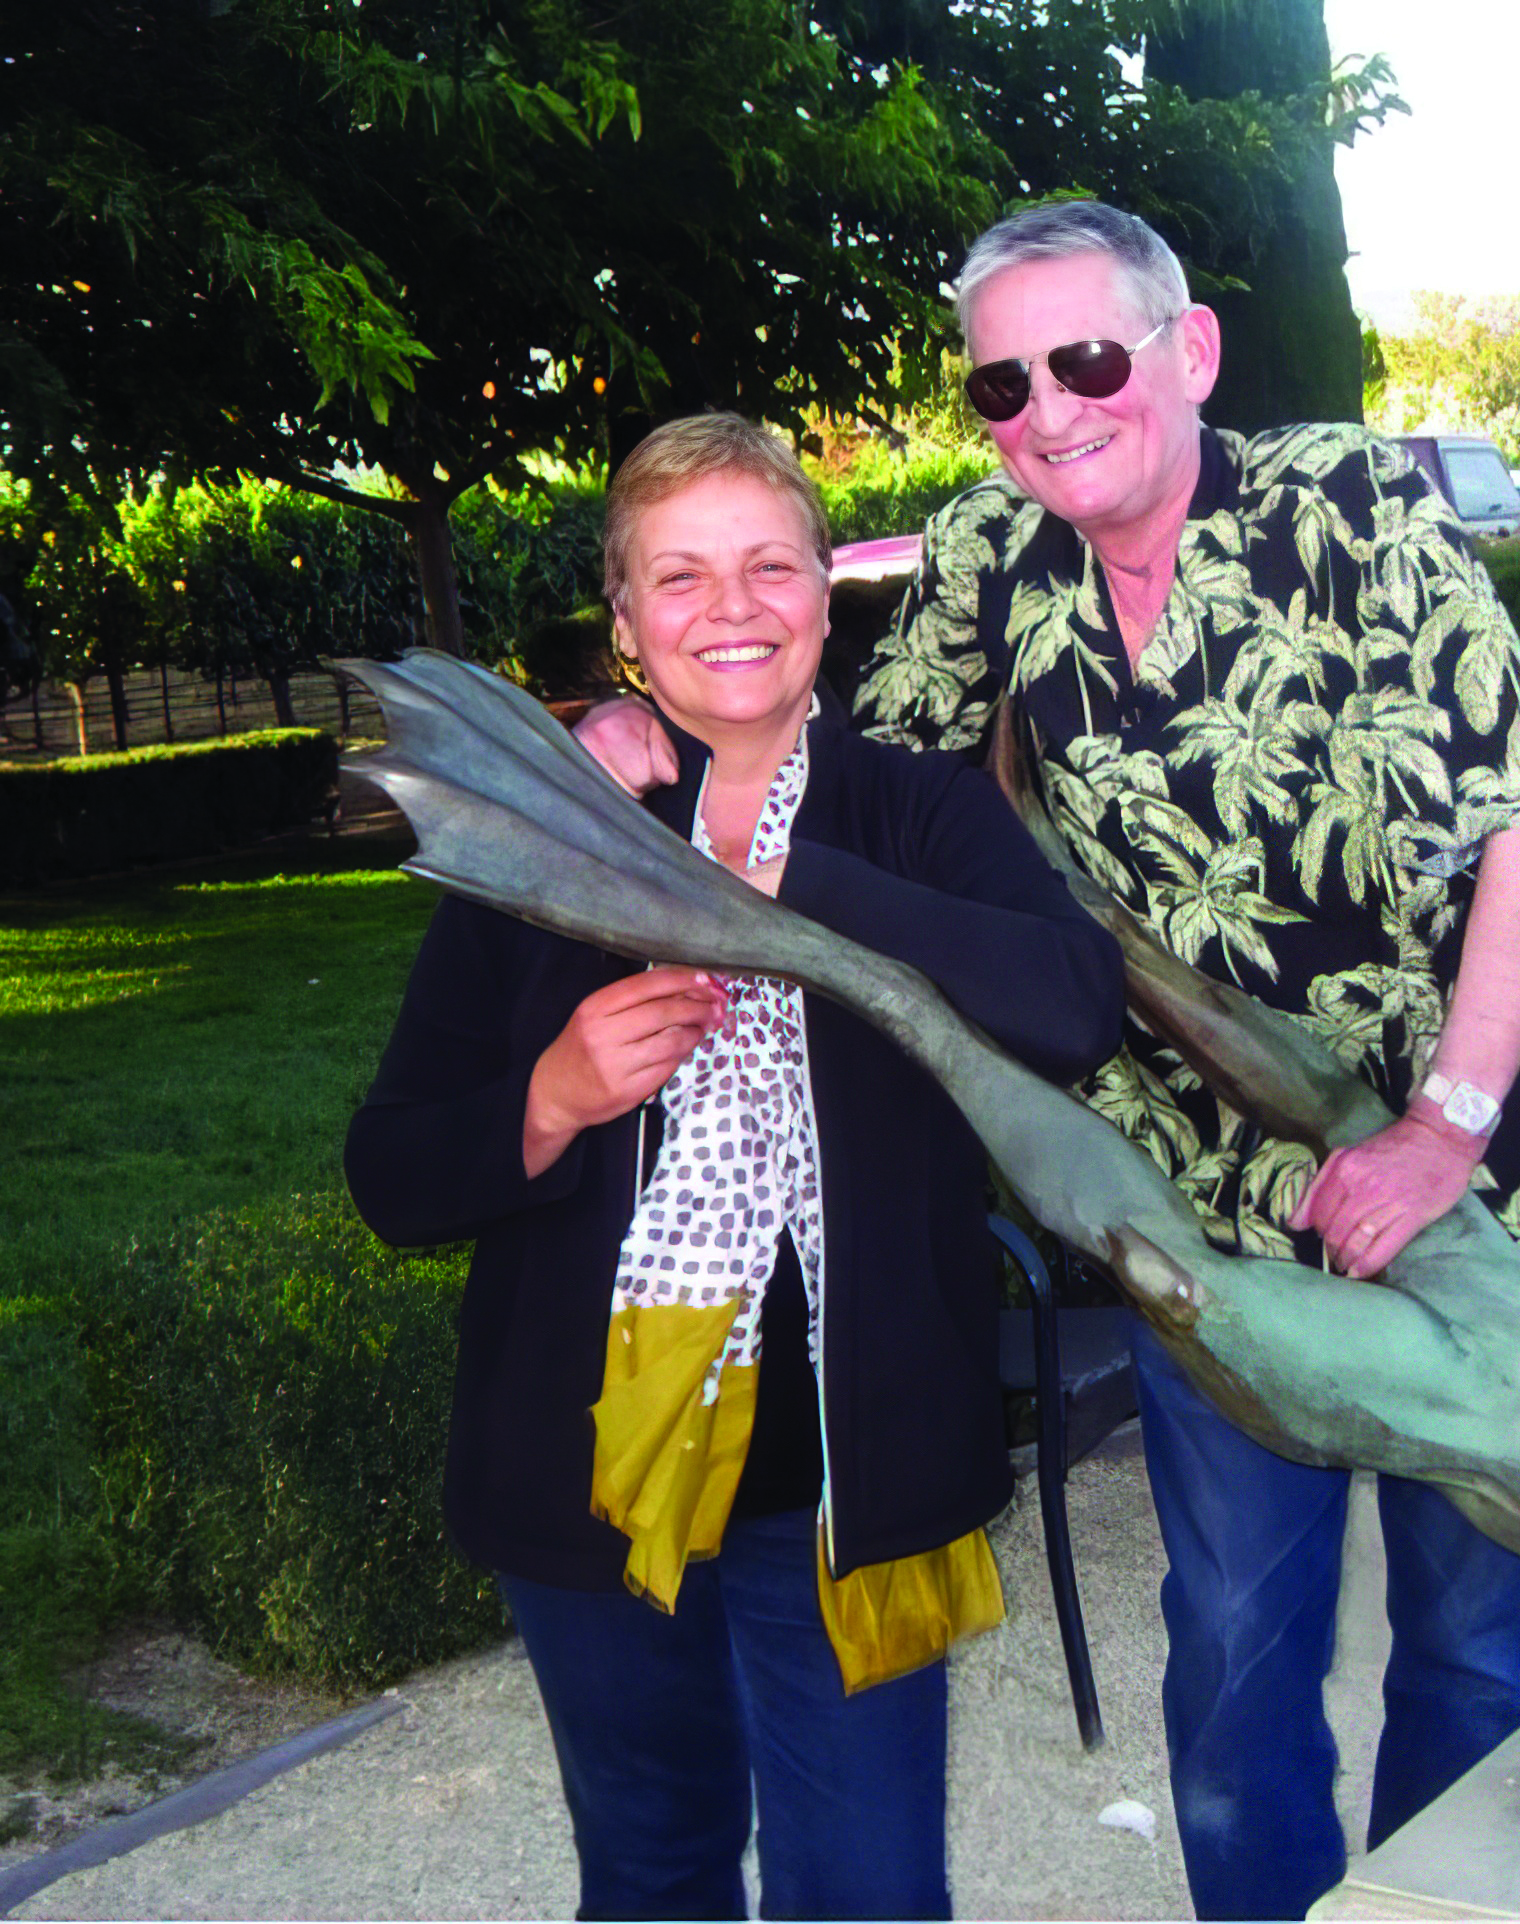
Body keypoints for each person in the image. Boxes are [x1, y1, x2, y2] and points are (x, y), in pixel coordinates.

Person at [578, 202, 1520, 1920]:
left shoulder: (1348, 507)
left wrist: (1444, 1126)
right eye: (1005, 381)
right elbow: (826, 736)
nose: (1050, 411)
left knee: (1469, 1637)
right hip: (1203, 1206)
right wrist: (635, 719)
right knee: (1231, 1660)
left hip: (1477, 1175)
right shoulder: (999, 544)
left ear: (1187, 352)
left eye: (1086, 359)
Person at [346, 413, 1124, 1922]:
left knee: (871, 1892)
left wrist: (792, 891)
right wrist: (553, 1099)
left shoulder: (916, 812)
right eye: (682, 577)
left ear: (828, 594)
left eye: (772, 565)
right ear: (628, 622)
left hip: (855, 1480)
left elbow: (1073, 1007)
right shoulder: (547, 833)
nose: (734, 607)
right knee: (652, 1872)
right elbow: (393, 1172)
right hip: (587, 1472)